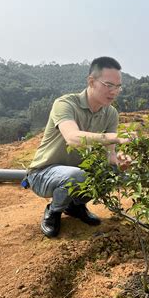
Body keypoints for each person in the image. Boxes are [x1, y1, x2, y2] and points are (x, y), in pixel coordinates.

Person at [27, 56, 130, 238]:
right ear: (91, 81)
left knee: (112, 172)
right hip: (43, 173)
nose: (114, 91)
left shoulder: (110, 113)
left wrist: (119, 161)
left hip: (76, 174)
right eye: (108, 85)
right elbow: (72, 138)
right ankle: (54, 210)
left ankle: (75, 206)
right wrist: (113, 137)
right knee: (78, 176)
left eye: (118, 87)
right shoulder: (65, 104)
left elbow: (109, 155)